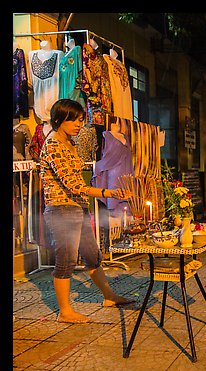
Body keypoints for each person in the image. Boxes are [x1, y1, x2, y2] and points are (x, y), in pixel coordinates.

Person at [39, 98, 135, 324]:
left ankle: (109, 297)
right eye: (72, 120)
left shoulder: (69, 142)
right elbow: (73, 184)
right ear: (58, 120)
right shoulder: (53, 144)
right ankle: (65, 311)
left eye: (80, 120)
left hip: (77, 207)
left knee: (92, 255)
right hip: (61, 208)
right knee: (67, 259)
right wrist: (108, 193)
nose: (77, 124)